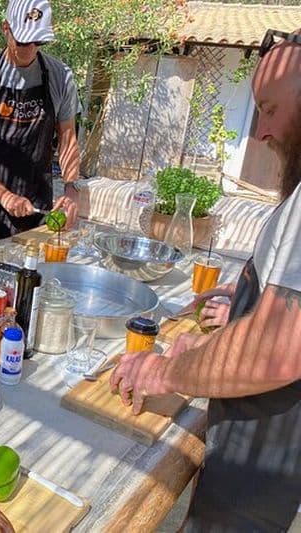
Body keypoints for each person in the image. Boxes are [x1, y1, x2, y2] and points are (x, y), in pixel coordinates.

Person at [110, 29, 301, 531]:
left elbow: (274, 352)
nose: (260, 130)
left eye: (270, 108)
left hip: (259, 469)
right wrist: (247, 300)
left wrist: (164, 372)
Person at [0, 0, 81, 242]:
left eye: (39, 41)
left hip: (38, 202)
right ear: (6, 28)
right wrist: (4, 195)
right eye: (23, 41)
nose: (30, 49)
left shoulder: (60, 76)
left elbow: (68, 139)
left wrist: (71, 189)